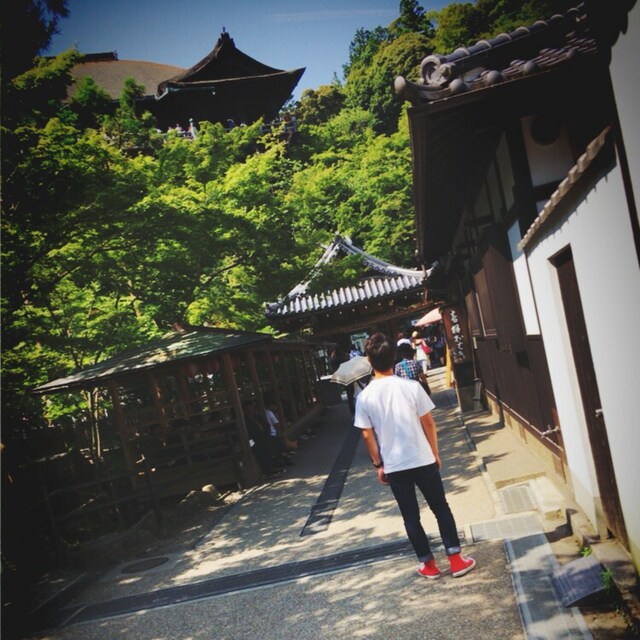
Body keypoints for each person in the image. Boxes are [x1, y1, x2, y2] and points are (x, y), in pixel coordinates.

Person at [354, 333, 476, 579]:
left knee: (410, 516)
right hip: (422, 457)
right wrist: (434, 452)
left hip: (394, 464)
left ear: (369, 360)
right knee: (440, 508)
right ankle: (455, 560)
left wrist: (379, 464)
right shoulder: (411, 387)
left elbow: (367, 435)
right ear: (394, 358)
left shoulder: (364, 397)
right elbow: (429, 423)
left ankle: (428, 565)